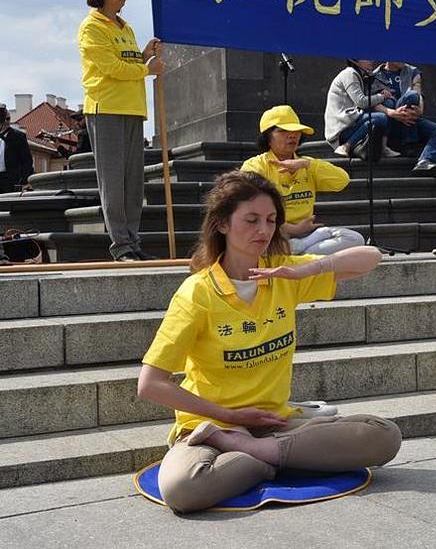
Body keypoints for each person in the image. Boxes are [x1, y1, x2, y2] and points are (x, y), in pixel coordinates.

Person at [137, 171, 401, 513]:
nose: (263, 230)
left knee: (384, 436)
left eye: (271, 220)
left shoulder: (283, 274)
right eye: (251, 220)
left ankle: (262, 453)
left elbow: (371, 257)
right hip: (210, 428)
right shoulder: (197, 293)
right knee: (182, 490)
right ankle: (271, 456)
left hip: (276, 422)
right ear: (221, 225)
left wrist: (307, 270)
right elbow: (150, 384)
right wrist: (227, 416)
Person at [78, 0, 165, 261]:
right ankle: (121, 246)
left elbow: (126, 63)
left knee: (132, 182)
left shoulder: (125, 27)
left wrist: (144, 55)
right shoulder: (91, 27)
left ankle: (133, 241)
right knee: (113, 182)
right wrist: (146, 68)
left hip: (132, 109)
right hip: (107, 110)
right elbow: (111, 68)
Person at [241, 105, 365, 255]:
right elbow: (249, 212)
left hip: (307, 236)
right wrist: (292, 229)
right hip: (271, 234)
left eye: (296, 131)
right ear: (267, 137)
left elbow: (342, 180)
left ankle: (298, 253)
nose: (292, 135)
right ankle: (301, 256)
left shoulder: (306, 164)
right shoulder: (255, 166)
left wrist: (307, 164)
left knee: (354, 238)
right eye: (283, 131)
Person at [374, 61, 436, 174]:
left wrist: (420, 110)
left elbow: (417, 95)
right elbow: (371, 103)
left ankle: (424, 161)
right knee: (393, 100)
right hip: (390, 121)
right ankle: (409, 143)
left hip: (410, 117)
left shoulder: (413, 71)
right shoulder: (375, 75)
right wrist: (392, 113)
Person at [324, 59, 399, 161]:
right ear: (355, 60)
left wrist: (382, 95)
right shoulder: (350, 74)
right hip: (342, 125)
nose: (371, 61)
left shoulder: (362, 75)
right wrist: (381, 96)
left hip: (352, 120)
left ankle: (383, 147)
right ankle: (346, 146)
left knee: (385, 109)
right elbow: (361, 102)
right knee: (381, 117)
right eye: (366, 58)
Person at [0, 105, 33, 194]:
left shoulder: (18, 136)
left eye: (8, 119)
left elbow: (27, 160)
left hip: (10, 180)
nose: (6, 121)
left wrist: (24, 180)